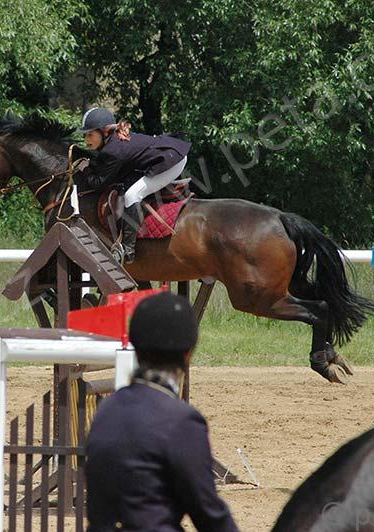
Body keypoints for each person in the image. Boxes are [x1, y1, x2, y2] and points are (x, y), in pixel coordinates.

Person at [85, 291, 239, 532]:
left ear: (136, 350)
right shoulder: (182, 421)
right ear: (188, 354)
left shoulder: (106, 410)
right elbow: (208, 514)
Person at [76, 107, 191, 263]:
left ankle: (127, 249)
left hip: (172, 161)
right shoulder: (113, 140)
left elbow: (98, 183)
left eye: (90, 135)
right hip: (167, 152)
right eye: (85, 135)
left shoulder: (113, 150)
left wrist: (85, 169)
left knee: (132, 195)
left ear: (105, 132)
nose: (86, 140)